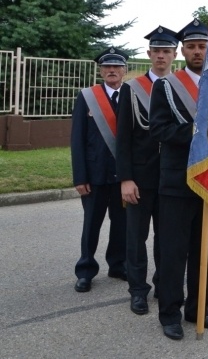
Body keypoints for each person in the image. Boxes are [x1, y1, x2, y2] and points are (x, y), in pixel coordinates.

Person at [149, 19, 208, 340]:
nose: (196, 51)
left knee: (205, 251)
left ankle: (198, 308)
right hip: (177, 183)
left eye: (202, 46)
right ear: (182, 50)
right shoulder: (166, 85)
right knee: (174, 252)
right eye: (191, 46)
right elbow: (160, 129)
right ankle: (170, 313)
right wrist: (198, 133)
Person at [116, 26, 178, 315]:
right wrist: (126, 178)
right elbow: (124, 138)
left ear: (174, 55)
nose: (162, 56)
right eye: (157, 51)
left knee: (167, 238)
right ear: (149, 54)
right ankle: (138, 290)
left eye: (167, 51)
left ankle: (163, 284)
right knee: (136, 237)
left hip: (172, 177)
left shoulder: (182, 88)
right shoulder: (132, 88)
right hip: (140, 177)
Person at [71, 47, 128, 294]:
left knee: (121, 225)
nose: (111, 71)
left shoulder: (131, 95)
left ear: (124, 70)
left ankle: (117, 265)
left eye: (116, 67)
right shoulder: (87, 96)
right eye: (107, 67)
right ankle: (85, 271)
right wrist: (80, 177)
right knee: (91, 225)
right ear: (101, 71)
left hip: (122, 177)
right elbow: (77, 139)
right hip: (94, 177)